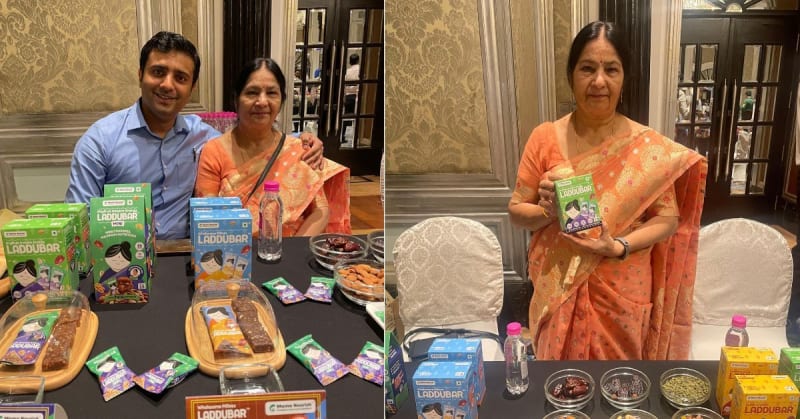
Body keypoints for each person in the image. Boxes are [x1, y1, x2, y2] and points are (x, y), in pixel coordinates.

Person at [507, 21, 707, 360]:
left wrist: (617, 246)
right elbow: (516, 210)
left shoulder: (646, 147)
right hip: (559, 286)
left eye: (611, 69)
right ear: (571, 75)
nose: (599, 81)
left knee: (620, 389)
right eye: (587, 68)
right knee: (559, 387)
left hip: (623, 287)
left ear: (624, 77)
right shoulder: (545, 137)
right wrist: (547, 213)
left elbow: (668, 219)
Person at [65, 31, 324, 240]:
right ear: (140, 74)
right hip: (124, 260)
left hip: (185, 255)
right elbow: (79, 220)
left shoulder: (203, 136)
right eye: (158, 72)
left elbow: (256, 138)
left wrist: (303, 139)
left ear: (192, 87)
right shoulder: (100, 141)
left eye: (180, 77)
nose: (167, 85)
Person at [194, 58, 351, 236]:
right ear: (236, 99)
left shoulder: (297, 149)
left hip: (290, 252)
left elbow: (320, 211)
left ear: (282, 100)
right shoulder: (214, 151)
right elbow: (206, 218)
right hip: (234, 254)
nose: (262, 101)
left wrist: (291, 253)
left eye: (271, 93)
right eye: (252, 92)